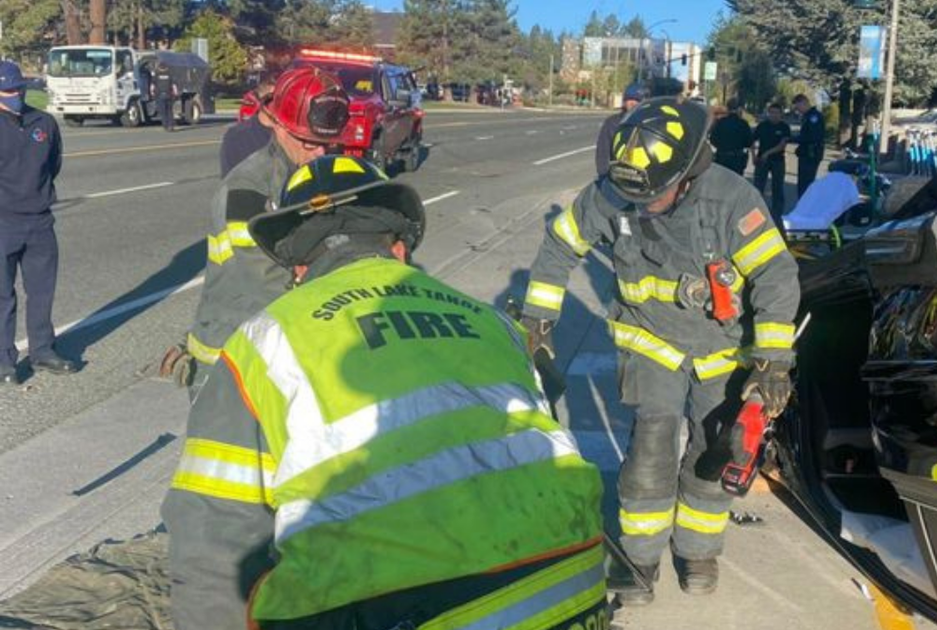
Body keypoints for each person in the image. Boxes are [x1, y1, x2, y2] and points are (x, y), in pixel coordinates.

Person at [162, 155, 606, 630]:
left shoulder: (265, 341)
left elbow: (211, 546)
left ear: (298, 271)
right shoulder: (493, 322)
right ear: (397, 251)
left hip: (403, 606)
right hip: (569, 586)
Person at [522, 97, 800, 605]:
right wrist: (539, 320)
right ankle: (639, 559)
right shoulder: (615, 192)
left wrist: (773, 359)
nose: (643, 206)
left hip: (720, 350)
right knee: (650, 447)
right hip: (650, 341)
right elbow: (560, 245)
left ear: (688, 175)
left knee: (713, 450)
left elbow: (775, 275)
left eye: (656, 197)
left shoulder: (733, 199)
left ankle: (697, 551)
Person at [181, 67, 349, 395]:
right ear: (281, 126)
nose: (321, 153)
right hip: (231, 359)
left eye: (328, 144)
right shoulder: (248, 188)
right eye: (309, 142)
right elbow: (265, 278)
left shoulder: (316, 174)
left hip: (284, 348)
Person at [0, 61, 78, 386]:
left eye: (18, 88)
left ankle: (43, 349)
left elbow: (53, 163)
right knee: (3, 296)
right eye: (7, 91)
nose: (15, 94)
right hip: (3, 222)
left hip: (40, 221)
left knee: (42, 292)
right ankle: (4, 362)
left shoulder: (42, 122)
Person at [219, 75, 276, 178]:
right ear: (260, 101)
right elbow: (230, 182)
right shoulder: (236, 137)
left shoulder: (293, 133)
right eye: (271, 100)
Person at [595, 83, 648, 177]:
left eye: (637, 100)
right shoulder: (612, 123)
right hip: (617, 175)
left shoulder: (648, 123)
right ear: (624, 101)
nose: (633, 103)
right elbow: (603, 152)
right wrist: (604, 176)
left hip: (643, 177)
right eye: (630, 99)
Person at [752, 103, 791, 225]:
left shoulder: (784, 127)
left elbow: (782, 145)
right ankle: (756, 211)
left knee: (777, 187)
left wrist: (767, 153)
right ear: (768, 113)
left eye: (776, 113)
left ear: (781, 114)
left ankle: (776, 215)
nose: (774, 115)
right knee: (758, 186)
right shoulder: (762, 126)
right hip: (762, 161)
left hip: (777, 160)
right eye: (771, 113)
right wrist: (753, 156)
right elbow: (752, 141)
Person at [791, 94, 826, 201]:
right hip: (807, 154)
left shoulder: (813, 117)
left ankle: (804, 209)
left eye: (798, 107)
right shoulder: (809, 116)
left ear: (804, 102)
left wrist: (791, 139)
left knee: (806, 185)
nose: (798, 110)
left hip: (810, 155)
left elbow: (812, 137)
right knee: (803, 184)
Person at [709, 99, 753, 176]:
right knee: (735, 184)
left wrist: (722, 146)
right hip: (737, 159)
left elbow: (712, 140)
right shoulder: (743, 124)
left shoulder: (720, 122)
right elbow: (749, 142)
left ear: (727, 108)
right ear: (739, 109)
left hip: (722, 157)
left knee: (721, 183)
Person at [153, 60, 175, 132]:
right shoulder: (169, 74)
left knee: (163, 111)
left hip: (160, 95)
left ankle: (165, 126)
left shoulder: (156, 74)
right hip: (169, 94)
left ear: (159, 67)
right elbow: (173, 85)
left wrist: (152, 93)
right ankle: (171, 125)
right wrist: (175, 93)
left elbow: (152, 86)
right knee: (169, 111)